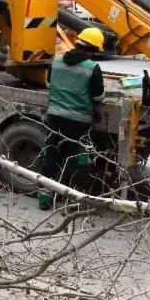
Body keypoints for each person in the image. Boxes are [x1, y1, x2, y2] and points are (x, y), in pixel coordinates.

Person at [38, 27, 106, 209]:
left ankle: (44, 199)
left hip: (54, 117)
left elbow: (49, 84)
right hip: (78, 122)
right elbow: (98, 97)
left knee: (51, 156)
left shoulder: (57, 61)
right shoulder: (92, 68)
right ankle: (72, 202)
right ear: (91, 49)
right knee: (77, 160)